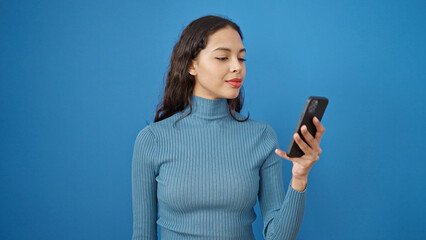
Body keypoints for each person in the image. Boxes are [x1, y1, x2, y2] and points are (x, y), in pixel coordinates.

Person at [131, 15, 325, 240]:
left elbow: (278, 237)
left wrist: (299, 178)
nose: (237, 68)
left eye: (241, 58)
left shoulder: (261, 136)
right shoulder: (152, 140)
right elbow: (143, 235)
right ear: (192, 65)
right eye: (223, 57)